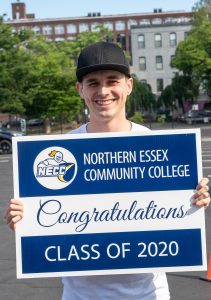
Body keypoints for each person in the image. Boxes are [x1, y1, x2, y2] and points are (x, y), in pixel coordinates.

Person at [5, 42, 211, 300]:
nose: (103, 91)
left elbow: (175, 217)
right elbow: (45, 224)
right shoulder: (58, 150)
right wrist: (26, 222)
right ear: (80, 89)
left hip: (148, 295)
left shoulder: (159, 148)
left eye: (112, 81)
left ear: (129, 85)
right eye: (93, 82)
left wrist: (193, 200)